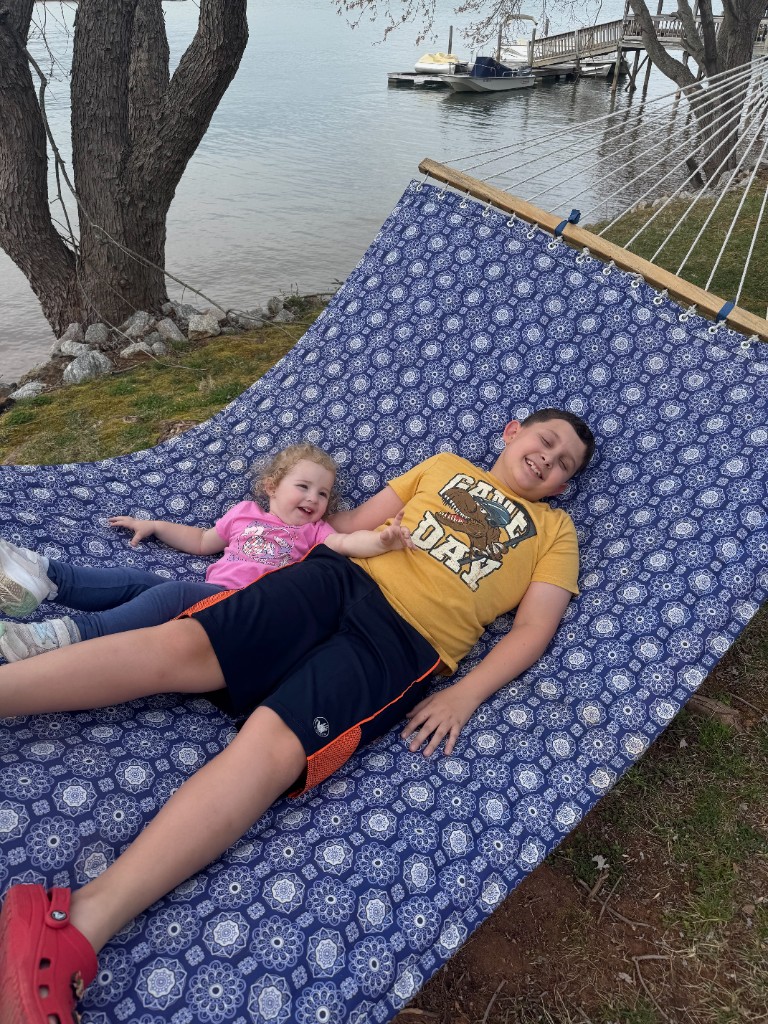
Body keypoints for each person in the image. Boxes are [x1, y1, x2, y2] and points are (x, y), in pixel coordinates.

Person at [0, 408, 595, 1024]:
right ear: (512, 433)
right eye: (546, 442)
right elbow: (345, 526)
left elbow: (533, 630)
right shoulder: (443, 468)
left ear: (561, 487)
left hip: (404, 643)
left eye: (564, 466)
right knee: (182, 645)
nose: (549, 460)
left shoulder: (555, 533)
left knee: (273, 748)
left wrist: (465, 695)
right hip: (332, 578)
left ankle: (75, 925)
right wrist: (263, 534)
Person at [0, 442, 408, 662]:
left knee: (171, 593)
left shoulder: (315, 532)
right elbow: (200, 541)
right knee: (141, 583)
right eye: (303, 486)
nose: (313, 498)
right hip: (211, 600)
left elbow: (346, 543)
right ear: (271, 486)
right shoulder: (243, 515)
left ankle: (57, 638)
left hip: (248, 609)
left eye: (322, 493)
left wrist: (381, 540)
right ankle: (45, 576)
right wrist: (157, 525)